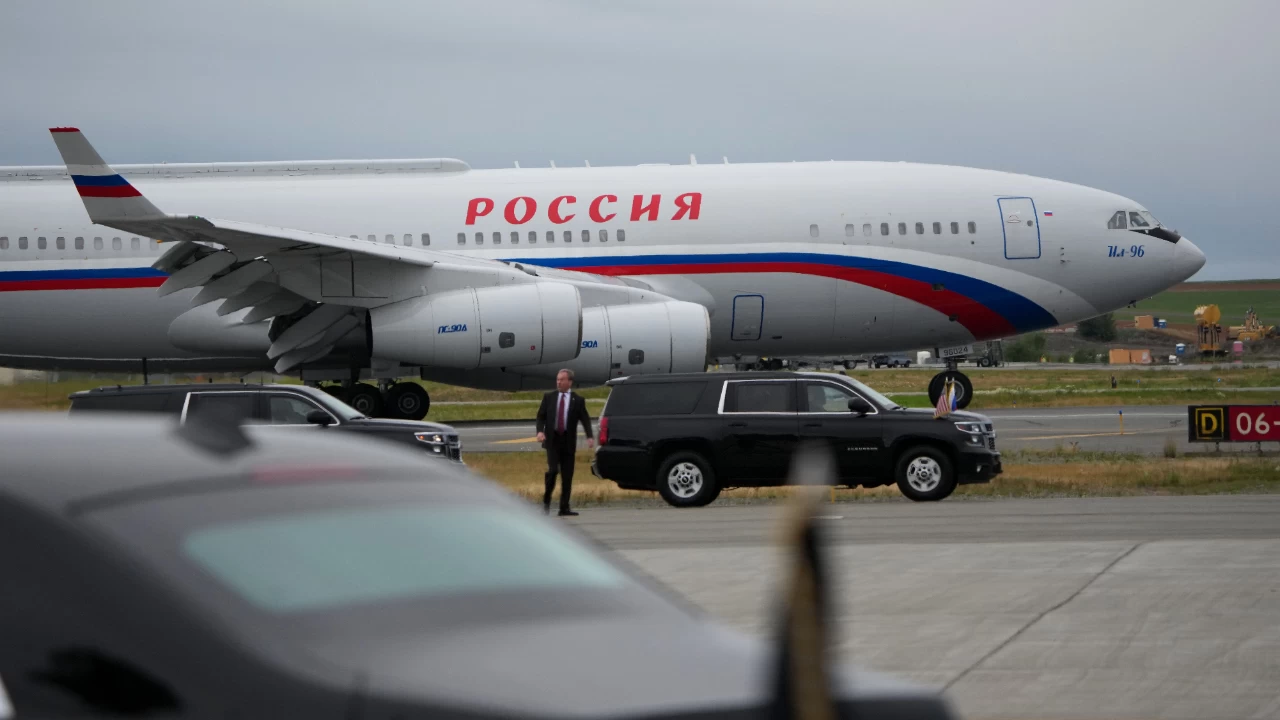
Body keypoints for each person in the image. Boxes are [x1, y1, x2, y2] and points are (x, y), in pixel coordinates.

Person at [535, 368, 594, 516]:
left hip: (568, 442)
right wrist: (540, 431)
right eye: (557, 379)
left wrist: (589, 436)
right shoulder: (549, 397)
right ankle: (546, 502)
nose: (558, 382)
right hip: (552, 441)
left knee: (567, 475)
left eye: (562, 379)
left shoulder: (578, 400)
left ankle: (564, 507)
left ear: (570, 382)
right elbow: (541, 416)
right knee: (553, 470)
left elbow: (585, 419)